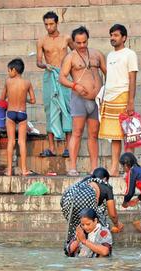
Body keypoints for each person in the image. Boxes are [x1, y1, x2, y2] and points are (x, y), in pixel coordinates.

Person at [59, 26, 107, 177]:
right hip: (79, 98)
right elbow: (61, 78)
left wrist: (106, 91)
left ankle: (94, 168)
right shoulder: (70, 57)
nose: (81, 45)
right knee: (77, 133)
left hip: (96, 99)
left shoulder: (97, 54)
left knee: (93, 134)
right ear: (73, 42)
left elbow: (107, 73)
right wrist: (75, 86)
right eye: (78, 43)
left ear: (88, 40)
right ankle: (72, 167)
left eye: (84, 42)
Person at [98, 24, 139, 177]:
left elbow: (132, 78)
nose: (112, 38)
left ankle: (129, 170)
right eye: (111, 35)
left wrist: (131, 101)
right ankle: (114, 168)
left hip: (123, 95)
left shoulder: (130, 54)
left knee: (128, 136)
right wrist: (104, 96)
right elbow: (108, 77)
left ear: (124, 38)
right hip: (109, 97)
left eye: (115, 35)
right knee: (114, 136)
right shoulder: (110, 55)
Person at [36, 11, 73, 158]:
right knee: (50, 110)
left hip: (64, 76)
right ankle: (51, 148)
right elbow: (38, 62)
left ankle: (68, 148)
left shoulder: (66, 38)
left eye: (51, 24)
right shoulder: (41, 41)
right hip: (49, 75)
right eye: (46, 24)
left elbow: (76, 54)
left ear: (57, 23)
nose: (49, 27)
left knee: (67, 110)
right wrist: (45, 66)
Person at [61, 167, 123, 244]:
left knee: (78, 227)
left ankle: (73, 246)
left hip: (67, 201)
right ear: (105, 179)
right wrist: (117, 224)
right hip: (83, 201)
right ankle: (95, 246)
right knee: (97, 225)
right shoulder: (106, 186)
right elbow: (113, 214)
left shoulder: (85, 182)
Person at [0, 58, 36, 176]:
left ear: (14, 70)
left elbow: (2, 99)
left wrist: (11, 97)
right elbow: (33, 100)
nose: (8, 73)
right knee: (22, 142)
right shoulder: (27, 83)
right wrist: (23, 99)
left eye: (9, 70)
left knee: (11, 141)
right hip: (22, 114)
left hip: (10, 114)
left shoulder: (8, 82)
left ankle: (9, 170)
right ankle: (24, 169)